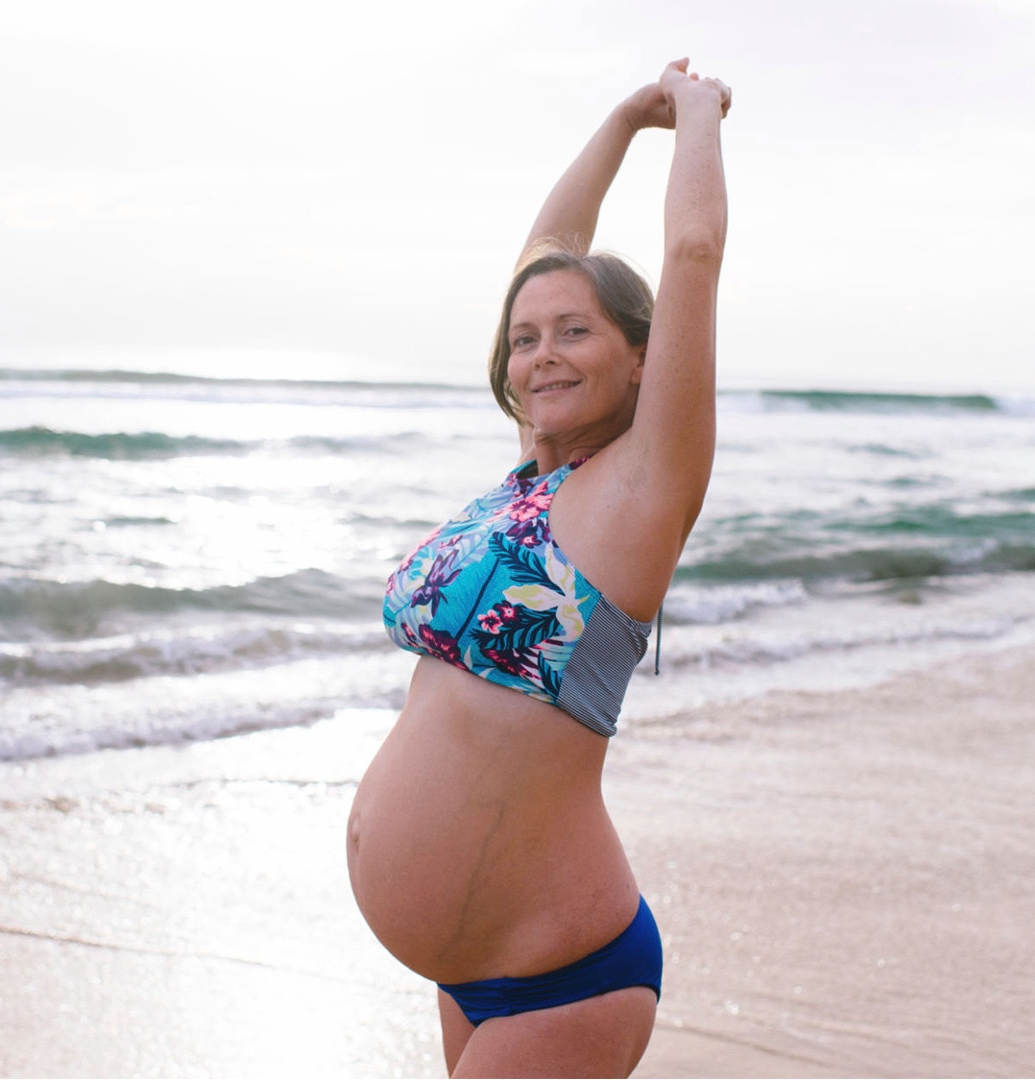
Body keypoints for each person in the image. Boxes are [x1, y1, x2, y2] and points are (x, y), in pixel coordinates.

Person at [347, 57, 730, 1078]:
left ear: (642, 357)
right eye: (524, 340)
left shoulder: (647, 490)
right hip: (468, 965)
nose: (542, 355)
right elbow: (546, 252)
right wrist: (619, 119)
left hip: (568, 968)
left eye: (575, 333)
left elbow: (691, 254)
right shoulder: (525, 483)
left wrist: (694, 115)